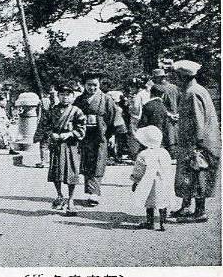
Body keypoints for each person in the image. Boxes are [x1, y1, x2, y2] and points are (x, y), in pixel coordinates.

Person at [171, 60, 221, 222]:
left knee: (197, 174)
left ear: (183, 76)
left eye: (176, 76)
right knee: (187, 175)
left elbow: (199, 122)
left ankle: (200, 212)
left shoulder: (192, 93)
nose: (175, 79)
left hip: (197, 143)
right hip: (194, 141)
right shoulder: (195, 90)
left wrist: (195, 145)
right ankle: (186, 207)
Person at [73, 72, 127, 207]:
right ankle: (90, 190)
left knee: (98, 162)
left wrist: (113, 135)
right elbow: (72, 115)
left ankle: (94, 193)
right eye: (89, 85)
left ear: (99, 84)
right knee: (86, 162)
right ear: (84, 85)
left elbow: (115, 117)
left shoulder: (106, 99)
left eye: (95, 85)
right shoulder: (79, 100)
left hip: (101, 135)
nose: (92, 88)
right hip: (84, 135)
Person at [36, 83, 86, 216]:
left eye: (68, 95)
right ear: (58, 96)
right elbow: (44, 125)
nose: (65, 97)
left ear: (72, 96)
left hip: (70, 145)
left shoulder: (76, 111)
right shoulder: (52, 111)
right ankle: (59, 195)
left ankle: (71, 199)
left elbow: (82, 128)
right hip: (56, 145)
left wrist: (70, 134)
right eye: (62, 95)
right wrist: (50, 134)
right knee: (56, 172)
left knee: (71, 173)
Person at [130, 126, 173, 231]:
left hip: (149, 183)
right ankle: (163, 223)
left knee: (149, 203)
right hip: (163, 181)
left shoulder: (143, 154)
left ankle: (150, 222)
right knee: (162, 202)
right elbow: (168, 167)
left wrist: (135, 181)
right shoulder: (164, 152)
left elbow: (138, 170)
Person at [139, 85, 173, 156]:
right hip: (160, 134)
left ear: (151, 93)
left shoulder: (147, 105)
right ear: (162, 95)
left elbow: (143, 123)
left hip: (149, 135)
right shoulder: (163, 107)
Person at [151, 67, 180, 148]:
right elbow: (180, 102)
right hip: (176, 117)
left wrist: (169, 115)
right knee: (175, 139)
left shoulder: (156, 88)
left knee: (165, 141)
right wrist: (177, 114)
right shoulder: (175, 87)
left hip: (165, 117)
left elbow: (157, 104)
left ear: (158, 78)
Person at [126, 76, 150, 160]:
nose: (130, 89)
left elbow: (135, 108)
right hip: (145, 118)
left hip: (136, 118)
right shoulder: (147, 93)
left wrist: (129, 106)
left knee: (134, 136)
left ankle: (135, 155)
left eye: (132, 87)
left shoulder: (138, 95)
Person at [34, 87, 58, 168]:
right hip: (50, 125)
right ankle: (48, 161)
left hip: (47, 124)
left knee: (45, 144)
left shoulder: (44, 101)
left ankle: (45, 161)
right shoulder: (55, 102)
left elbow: (40, 114)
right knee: (48, 143)